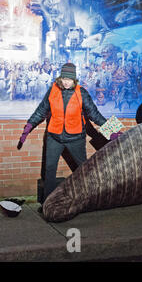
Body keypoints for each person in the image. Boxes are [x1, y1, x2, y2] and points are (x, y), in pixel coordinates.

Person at [17, 63, 120, 208]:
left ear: (74, 79)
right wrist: (28, 126)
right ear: (60, 77)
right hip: (54, 137)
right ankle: (48, 203)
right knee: (49, 169)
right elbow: (41, 111)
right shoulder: (52, 91)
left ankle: (87, 200)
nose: (66, 81)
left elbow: (95, 115)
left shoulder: (82, 93)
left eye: (69, 79)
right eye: (64, 78)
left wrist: (114, 130)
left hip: (75, 138)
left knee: (83, 169)